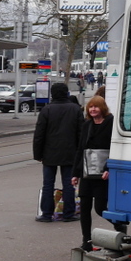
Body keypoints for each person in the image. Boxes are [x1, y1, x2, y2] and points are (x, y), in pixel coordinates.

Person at [71, 95, 117, 250]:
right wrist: (75, 173)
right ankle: (87, 241)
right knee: (84, 208)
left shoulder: (111, 123)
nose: (92, 109)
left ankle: (120, 227)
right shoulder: (87, 125)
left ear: (102, 108)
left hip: (102, 173)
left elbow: (115, 149)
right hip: (87, 172)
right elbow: (80, 150)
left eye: (96, 106)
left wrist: (109, 168)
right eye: (90, 107)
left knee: (100, 208)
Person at [33, 82, 82, 223]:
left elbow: (39, 134)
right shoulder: (75, 109)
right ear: (67, 93)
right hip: (70, 153)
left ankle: (46, 214)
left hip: (49, 153)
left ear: (52, 94)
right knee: (69, 183)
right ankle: (68, 213)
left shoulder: (46, 110)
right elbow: (81, 134)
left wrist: (38, 154)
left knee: (48, 184)